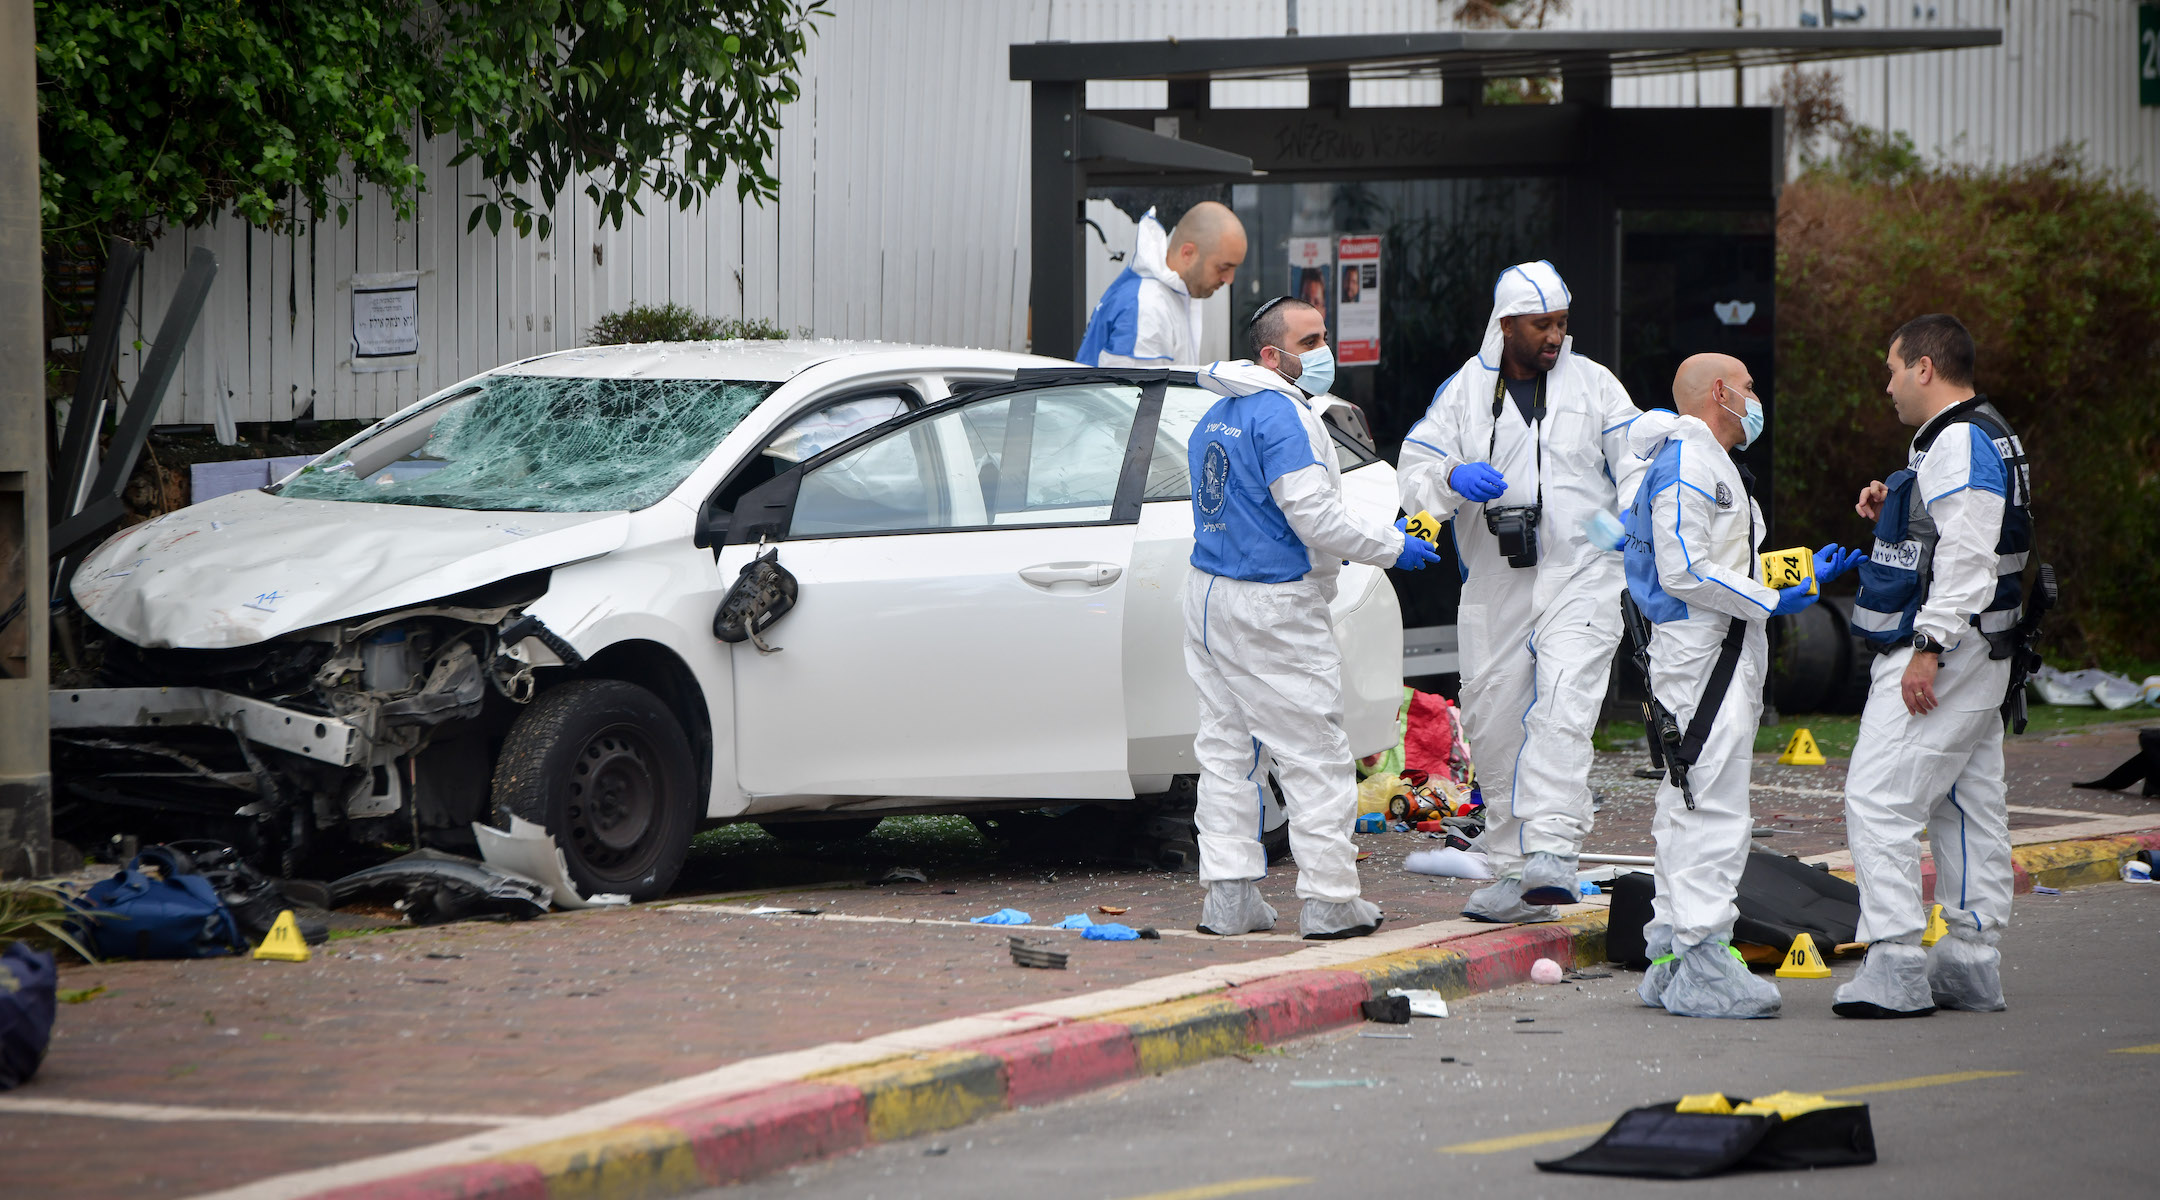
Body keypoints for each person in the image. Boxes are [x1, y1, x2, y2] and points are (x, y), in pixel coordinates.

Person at [1397, 261, 1649, 923]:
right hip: (1496, 581)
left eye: (1563, 323)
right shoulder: (1466, 393)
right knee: (1495, 718)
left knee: (1562, 705)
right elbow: (1415, 470)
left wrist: (1623, 522)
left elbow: (1636, 463)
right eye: (1542, 324)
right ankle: (1515, 875)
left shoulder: (1594, 386)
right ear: (1505, 324)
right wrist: (1453, 474)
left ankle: (1554, 851)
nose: (1555, 336)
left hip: (1582, 574)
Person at [1184, 296, 1442, 939]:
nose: (1325, 350)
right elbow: (1314, 517)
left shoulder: (1217, 415)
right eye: (1313, 338)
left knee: (1226, 750)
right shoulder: (1282, 416)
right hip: (1272, 604)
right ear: (1274, 354)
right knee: (1315, 753)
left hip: (1210, 596)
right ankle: (1329, 900)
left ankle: (1229, 896)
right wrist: (1392, 548)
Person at [1622, 354, 1863, 1018]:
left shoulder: (1713, 467)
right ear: (1722, 392)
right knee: (1713, 810)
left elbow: (1722, 562)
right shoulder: (1688, 462)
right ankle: (1701, 957)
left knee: (1690, 803)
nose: (1758, 399)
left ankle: (1673, 954)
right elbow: (1684, 568)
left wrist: (1793, 573)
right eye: (1750, 388)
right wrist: (1770, 598)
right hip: (1701, 659)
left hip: (1715, 654)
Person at [1835, 314, 2032, 1018]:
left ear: (1925, 368)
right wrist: (1900, 506)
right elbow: (1963, 533)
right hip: (1987, 649)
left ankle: (1893, 960)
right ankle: (1970, 962)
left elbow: (1969, 557)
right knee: (1964, 803)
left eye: (1892, 369)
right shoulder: (1983, 435)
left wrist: (1928, 647)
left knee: (1878, 798)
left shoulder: (1959, 442)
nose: (1887, 386)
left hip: (1951, 651)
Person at [1077, 202, 1247, 368]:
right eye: (1223, 267)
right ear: (1188, 253)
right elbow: (1131, 395)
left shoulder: (1166, 294)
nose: (1229, 279)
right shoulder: (1149, 307)